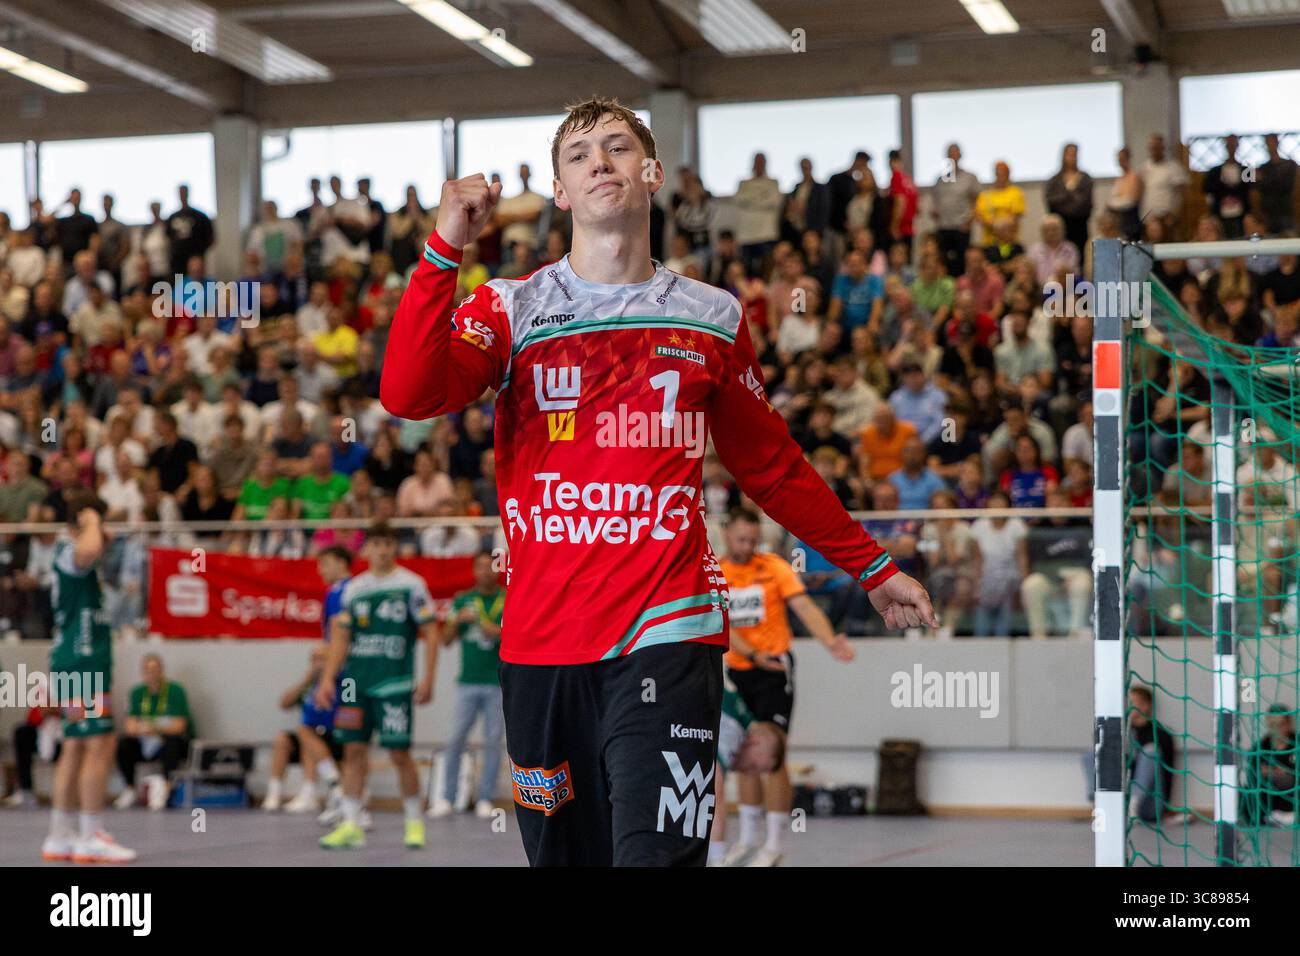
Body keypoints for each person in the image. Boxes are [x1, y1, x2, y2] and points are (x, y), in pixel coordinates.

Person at [380, 96, 937, 867]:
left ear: (652, 174)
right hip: (542, 646)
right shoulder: (509, 308)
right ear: (560, 193)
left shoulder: (711, 317)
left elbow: (771, 465)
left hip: (668, 631)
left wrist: (872, 568)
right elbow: (411, 394)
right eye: (579, 155)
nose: (599, 162)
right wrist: (444, 248)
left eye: (616, 147)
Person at [717, 508, 856, 867]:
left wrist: (829, 641)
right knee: (746, 756)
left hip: (775, 670)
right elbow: (719, 625)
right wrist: (749, 653)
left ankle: (775, 842)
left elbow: (805, 607)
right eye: (740, 538)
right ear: (727, 533)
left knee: (773, 752)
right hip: (739, 670)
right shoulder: (716, 571)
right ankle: (748, 838)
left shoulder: (774, 567)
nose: (746, 545)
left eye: (752, 539)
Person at [315, 523, 437, 850]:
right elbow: (341, 636)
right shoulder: (354, 589)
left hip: (393, 683)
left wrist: (428, 678)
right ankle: (351, 825)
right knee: (352, 750)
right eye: (376, 544)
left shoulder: (412, 585)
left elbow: (432, 632)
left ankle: (414, 822)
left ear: (394, 548)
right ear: (366, 549)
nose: (382, 549)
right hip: (355, 683)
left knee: (399, 752)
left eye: (387, 543)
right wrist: (328, 678)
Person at [41, 498, 137, 863]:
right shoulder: (72, 553)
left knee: (75, 745)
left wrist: (98, 527)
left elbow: (97, 547)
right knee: (99, 744)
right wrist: (92, 519)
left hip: (74, 663)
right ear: (79, 524)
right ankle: (91, 834)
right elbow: (91, 546)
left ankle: (60, 834)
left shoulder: (74, 559)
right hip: (84, 666)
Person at [430, 550, 505, 819]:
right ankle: (446, 798)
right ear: (473, 571)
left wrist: (498, 632)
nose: (486, 572)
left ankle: (485, 798)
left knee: (493, 741)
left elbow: (523, 637)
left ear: (498, 570)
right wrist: (455, 621)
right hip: (467, 682)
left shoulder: (507, 599)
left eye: (490, 567)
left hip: (497, 682)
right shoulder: (463, 600)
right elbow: (445, 640)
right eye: (480, 567)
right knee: (454, 740)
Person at [706, 675, 786, 866]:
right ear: (756, 743)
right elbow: (715, 793)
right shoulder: (734, 731)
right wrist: (718, 859)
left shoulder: (739, 720)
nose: (751, 772)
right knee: (713, 790)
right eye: (755, 766)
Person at [265, 644, 344, 814]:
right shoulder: (310, 684)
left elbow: (352, 707)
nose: (318, 663)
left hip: (336, 735)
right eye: (314, 659)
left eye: (322, 659)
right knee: (284, 739)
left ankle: (310, 791)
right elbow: (284, 703)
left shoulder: (345, 681)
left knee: (307, 735)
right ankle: (274, 793)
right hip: (312, 733)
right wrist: (305, 682)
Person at [114, 654, 194, 811]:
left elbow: (179, 726)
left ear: (162, 670)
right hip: (145, 742)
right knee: (124, 745)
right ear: (143, 673)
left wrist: (152, 727)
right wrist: (147, 729)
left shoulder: (175, 691)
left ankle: (165, 788)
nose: (152, 674)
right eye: (148, 670)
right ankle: (130, 789)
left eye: (155, 669)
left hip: (169, 742)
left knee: (172, 742)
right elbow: (130, 726)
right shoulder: (137, 693)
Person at [1128, 684, 1176, 824]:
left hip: (1150, 803)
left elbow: (1168, 773)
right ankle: (1099, 803)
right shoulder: (1124, 734)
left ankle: (1133, 803)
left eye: (1132, 702)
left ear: (1145, 706)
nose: (1127, 706)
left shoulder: (1161, 734)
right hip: (1122, 797)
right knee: (1092, 754)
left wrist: (1165, 809)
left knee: (1150, 751)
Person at [1045, 143, 1093, 256]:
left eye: (1074, 154)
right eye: (1069, 154)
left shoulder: (1085, 178)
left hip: (1079, 226)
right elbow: (1051, 200)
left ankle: (1073, 275)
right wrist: (1070, 196)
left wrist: (1067, 200)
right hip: (1060, 227)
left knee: (1078, 256)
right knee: (1062, 256)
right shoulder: (1054, 180)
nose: (1071, 158)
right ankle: (1066, 275)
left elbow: (1086, 202)